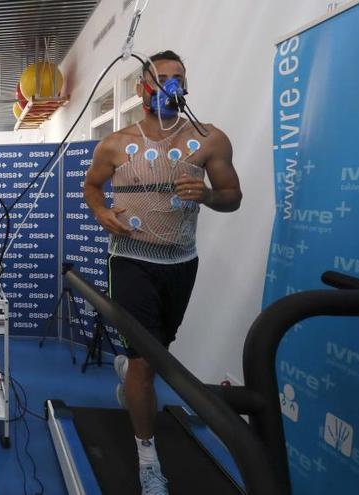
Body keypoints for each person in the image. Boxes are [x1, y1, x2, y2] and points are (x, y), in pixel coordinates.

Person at [83, 50, 242, 495]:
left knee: (155, 355)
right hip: (129, 259)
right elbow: (91, 187)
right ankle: (147, 456)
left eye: (178, 77)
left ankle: (131, 371)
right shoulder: (114, 144)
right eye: (161, 77)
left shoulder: (209, 139)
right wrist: (101, 212)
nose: (170, 85)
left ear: (185, 86)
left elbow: (232, 195)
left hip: (179, 263)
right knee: (145, 360)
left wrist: (208, 196)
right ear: (142, 89)